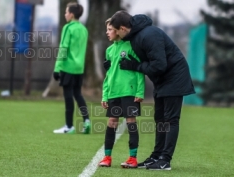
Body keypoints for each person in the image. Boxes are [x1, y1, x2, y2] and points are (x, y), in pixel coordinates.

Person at [109, 11, 195, 170]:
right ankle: (156, 156)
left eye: (115, 30)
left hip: (174, 78)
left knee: (170, 120)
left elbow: (159, 65)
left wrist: (136, 66)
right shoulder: (135, 36)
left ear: (122, 28)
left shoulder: (149, 35)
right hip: (162, 81)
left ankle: (165, 160)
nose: (115, 34)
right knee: (160, 119)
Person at [98, 18, 145, 168]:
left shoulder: (131, 47)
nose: (107, 32)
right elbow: (108, 75)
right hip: (113, 94)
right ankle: (107, 157)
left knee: (131, 122)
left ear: (119, 30)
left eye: (110, 29)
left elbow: (139, 71)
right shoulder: (109, 50)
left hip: (129, 92)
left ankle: (132, 158)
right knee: (111, 123)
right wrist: (105, 95)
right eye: (107, 29)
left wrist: (140, 91)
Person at [52, 2, 90, 134]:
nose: (65, 14)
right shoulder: (84, 30)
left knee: (68, 96)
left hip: (68, 66)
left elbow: (63, 48)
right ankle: (86, 120)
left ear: (72, 14)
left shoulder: (68, 28)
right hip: (79, 67)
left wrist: (57, 68)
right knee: (78, 94)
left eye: (66, 12)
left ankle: (69, 126)